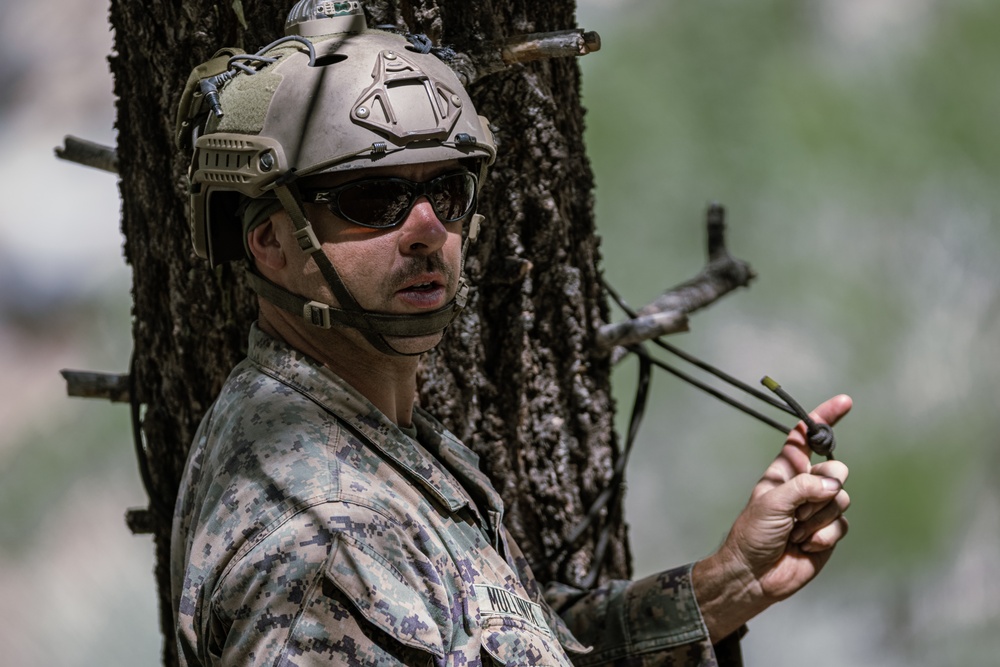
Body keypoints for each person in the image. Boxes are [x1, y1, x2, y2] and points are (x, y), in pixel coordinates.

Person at [170, 3, 852, 665]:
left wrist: (726, 586)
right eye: (373, 199)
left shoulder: (368, 444)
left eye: (449, 190)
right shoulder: (321, 538)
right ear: (269, 241)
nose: (428, 229)